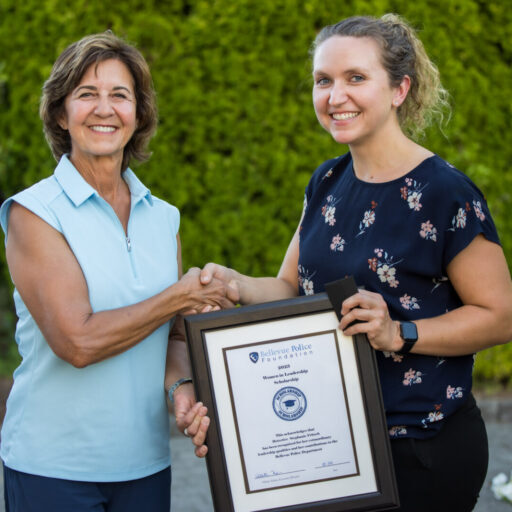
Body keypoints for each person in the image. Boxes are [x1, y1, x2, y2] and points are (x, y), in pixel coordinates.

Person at [196, 14, 512, 511]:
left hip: (422, 447)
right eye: (324, 81)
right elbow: (289, 288)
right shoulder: (326, 181)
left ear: (399, 89)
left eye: (355, 78)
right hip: (334, 442)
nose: (334, 95)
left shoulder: (445, 193)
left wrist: (401, 333)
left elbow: (500, 315)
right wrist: (235, 285)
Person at [0, 32, 236, 512]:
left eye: (120, 96)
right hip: (53, 469)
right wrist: (179, 297)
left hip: (145, 464)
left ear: (139, 115)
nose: (104, 109)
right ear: (61, 114)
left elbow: (170, 336)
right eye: (86, 94)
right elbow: (78, 343)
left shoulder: (162, 216)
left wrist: (181, 389)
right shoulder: (34, 213)